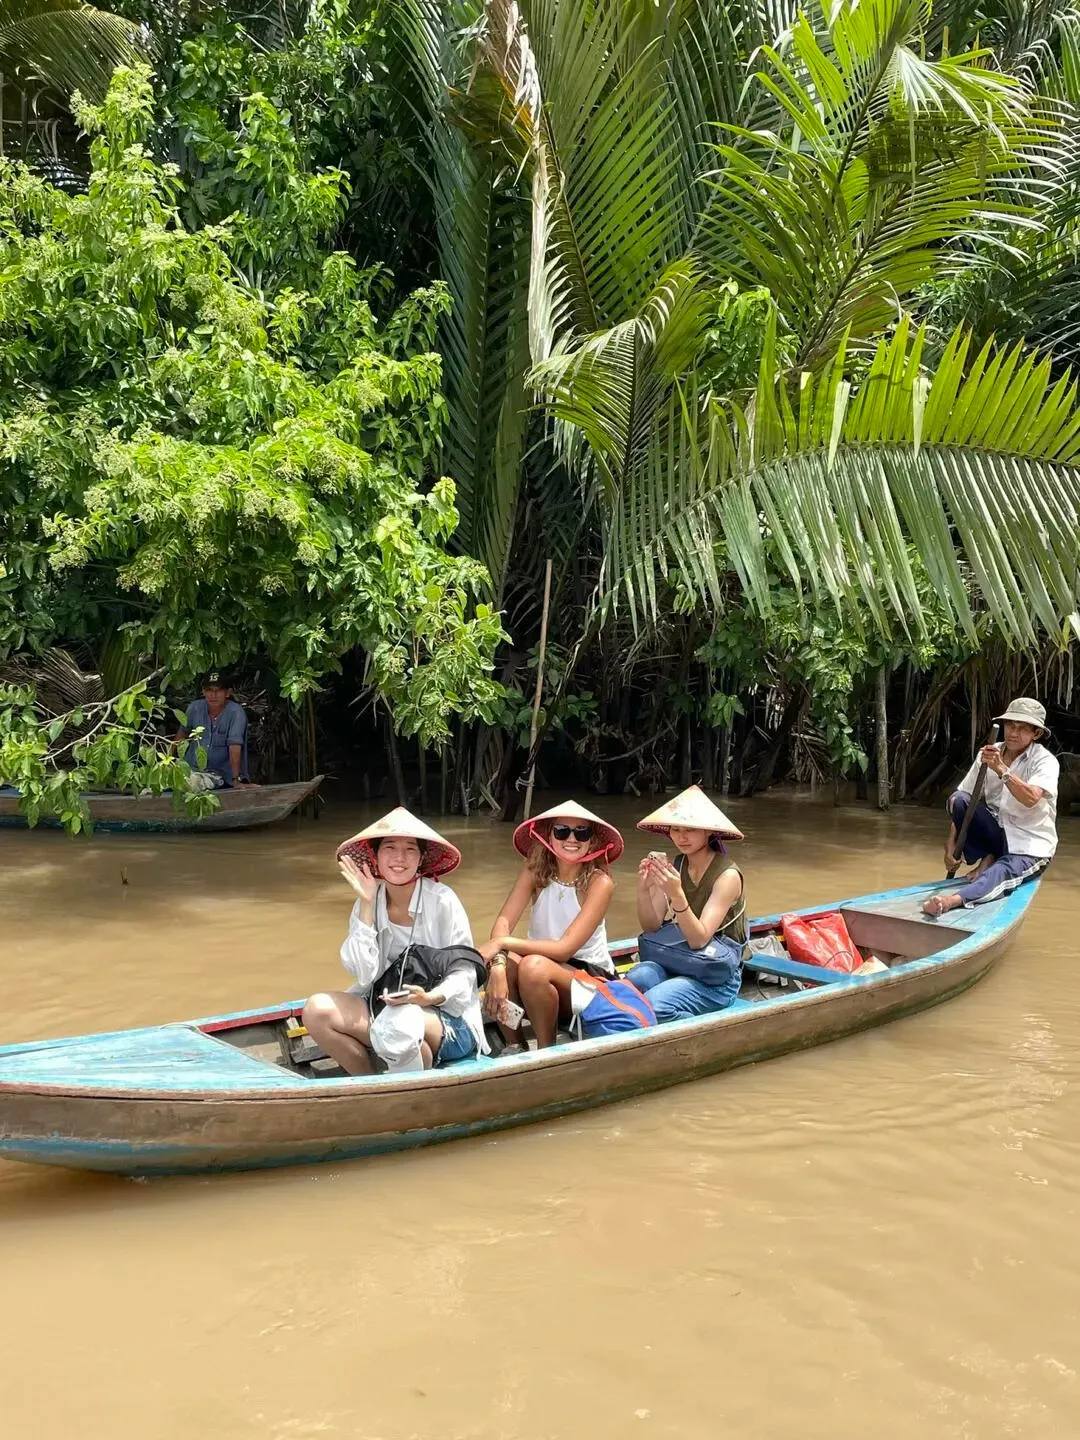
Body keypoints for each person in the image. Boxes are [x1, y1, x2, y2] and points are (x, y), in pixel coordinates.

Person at [303, 808, 488, 1074]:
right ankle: (368, 1084)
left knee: (403, 1021)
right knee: (316, 1009)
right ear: (375, 856)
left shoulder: (443, 900)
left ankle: (409, 1087)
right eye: (389, 847)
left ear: (421, 857)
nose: (399, 858)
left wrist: (429, 998)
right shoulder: (368, 901)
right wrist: (366, 904)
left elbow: (465, 973)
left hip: (447, 1021)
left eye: (410, 849)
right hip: (385, 1010)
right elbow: (364, 974)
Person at [480, 801, 653, 1048]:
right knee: (500, 964)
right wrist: (497, 963)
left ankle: (546, 1049)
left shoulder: (599, 882)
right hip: (542, 974)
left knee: (531, 966)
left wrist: (501, 943)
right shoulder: (535, 872)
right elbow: (504, 921)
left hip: (588, 978)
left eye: (582, 832)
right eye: (562, 831)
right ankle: (515, 1047)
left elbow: (565, 949)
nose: (571, 838)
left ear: (592, 840)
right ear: (549, 835)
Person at [922, 697, 1059, 917]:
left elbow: (1031, 798)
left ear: (1036, 734)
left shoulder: (1045, 761)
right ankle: (990, 854)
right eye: (1010, 725)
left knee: (1002, 872)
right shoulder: (990, 752)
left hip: (1029, 844)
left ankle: (952, 901)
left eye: (1022, 728)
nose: (1013, 733)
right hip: (999, 833)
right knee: (958, 800)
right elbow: (966, 797)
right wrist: (950, 847)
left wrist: (1001, 769)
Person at [625, 785, 747, 1021]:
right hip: (680, 961)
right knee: (633, 982)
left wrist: (677, 895)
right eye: (676, 829)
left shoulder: (727, 876)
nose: (682, 837)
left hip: (717, 975)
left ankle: (695, 1036)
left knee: (654, 1006)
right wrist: (644, 888)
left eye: (690, 830)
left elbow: (699, 938)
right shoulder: (677, 866)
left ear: (709, 832)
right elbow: (651, 926)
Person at [175, 670, 250, 790]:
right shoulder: (194, 708)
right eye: (209, 690)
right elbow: (182, 733)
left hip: (219, 776)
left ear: (227, 693)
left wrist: (235, 780)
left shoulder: (236, 712)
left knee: (192, 783)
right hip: (189, 769)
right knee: (153, 786)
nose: (213, 695)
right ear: (204, 692)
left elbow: (234, 746)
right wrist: (168, 761)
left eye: (218, 690)